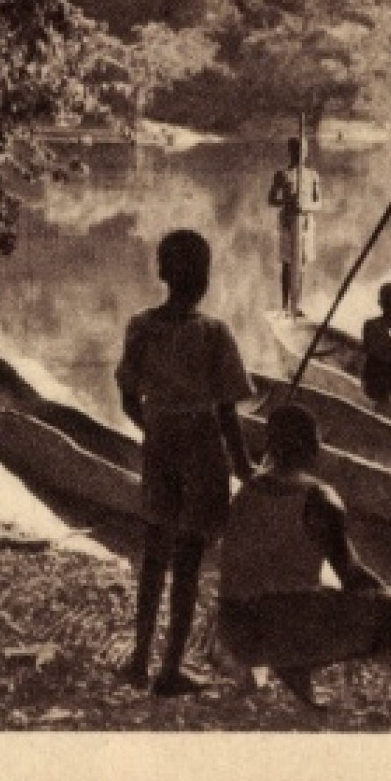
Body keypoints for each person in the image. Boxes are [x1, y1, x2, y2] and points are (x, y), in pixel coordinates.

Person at [115, 230, 257, 696]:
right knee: (189, 562)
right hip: (201, 450)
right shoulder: (214, 333)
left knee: (154, 554)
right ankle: (170, 669)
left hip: (160, 446)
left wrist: (154, 428)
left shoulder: (141, 326)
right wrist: (245, 468)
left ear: (162, 272)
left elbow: (127, 396)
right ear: (205, 278)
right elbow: (226, 412)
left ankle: (139, 660)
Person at [217, 405, 391, 709]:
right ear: (311, 447)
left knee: (304, 591)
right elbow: (353, 576)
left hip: (234, 632)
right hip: (279, 629)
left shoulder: (245, 491)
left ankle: (288, 661)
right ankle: (296, 662)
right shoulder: (320, 497)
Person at [267, 136, 322, 314]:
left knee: (302, 264)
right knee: (288, 264)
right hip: (288, 224)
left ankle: (297, 304)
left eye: (304, 150)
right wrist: (287, 200)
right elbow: (271, 199)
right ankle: (285, 305)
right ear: (290, 152)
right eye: (297, 150)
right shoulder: (283, 174)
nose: (301, 154)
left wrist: (305, 206)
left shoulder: (312, 175)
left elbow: (319, 203)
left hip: (306, 224)